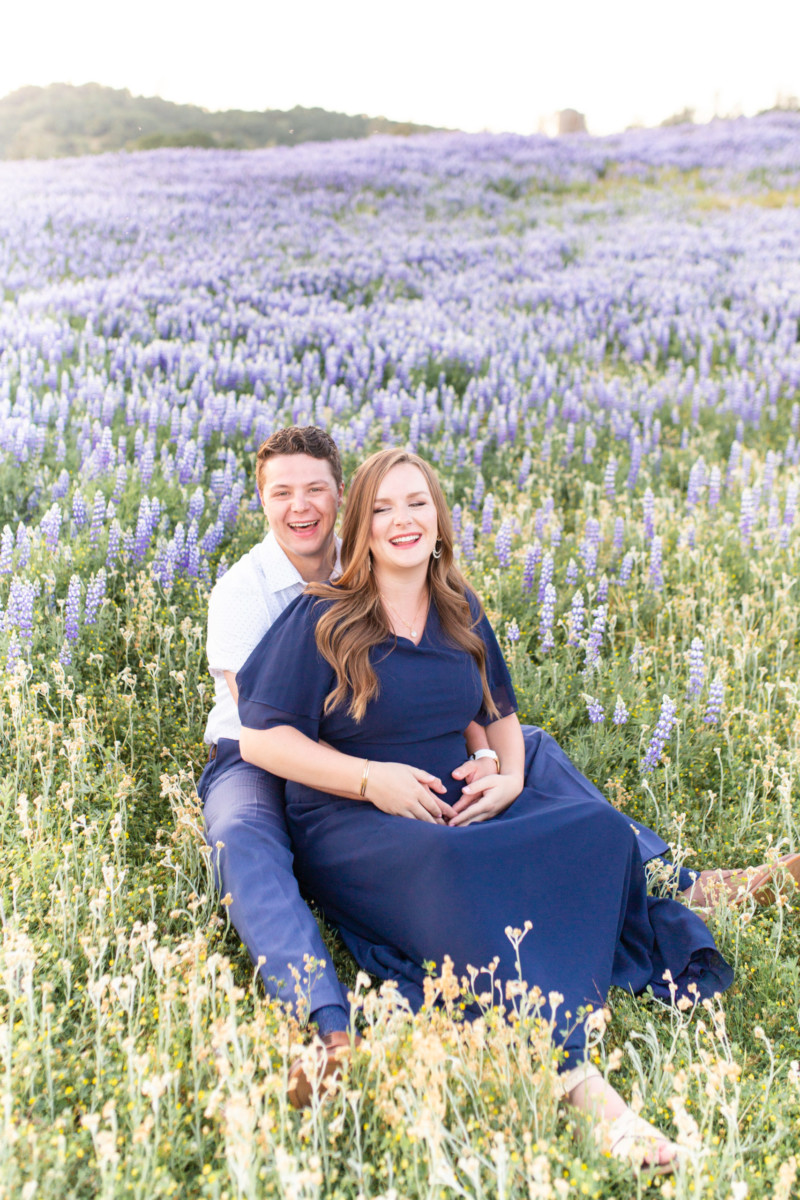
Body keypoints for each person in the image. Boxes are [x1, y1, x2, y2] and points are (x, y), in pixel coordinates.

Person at [198, 426, 798, 1112]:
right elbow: (266, 729)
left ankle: (674, 881)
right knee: (247, 841)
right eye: (282, 493)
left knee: (574, 804)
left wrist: (497, 766)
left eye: (316, 490)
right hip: (278, 765)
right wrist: (372, 777)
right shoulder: (275, 599)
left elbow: (476, 701)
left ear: (340, 500)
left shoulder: (444, 596)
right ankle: (325, 1024)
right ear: (268, 501)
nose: (300, 506)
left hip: (418, 767)